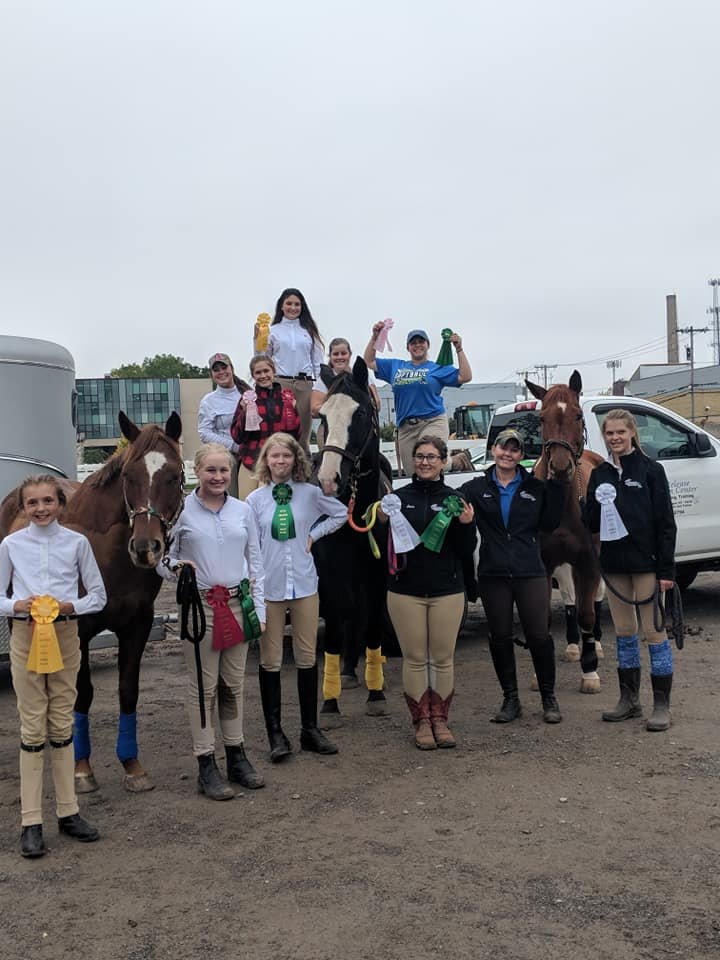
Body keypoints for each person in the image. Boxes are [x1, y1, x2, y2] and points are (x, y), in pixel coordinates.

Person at [0, 474, 107, 858]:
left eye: (48, 501)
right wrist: (16, 605)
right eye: (33, 503)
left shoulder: (77, 543)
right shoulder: (11, 545)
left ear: (59, 504)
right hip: (27, 635)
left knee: (62, 721)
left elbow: (97, 595)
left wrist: (69, 606)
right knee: (32, 725)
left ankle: (68, 811)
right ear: (23, 508)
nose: (41, 509)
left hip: (65, 635)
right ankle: (31, 820)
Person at [159, 444, 266, 799]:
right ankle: (206, 763)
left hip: (238, 604)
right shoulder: (181, 512)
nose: (218, 477)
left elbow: (255, 559)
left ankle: (236, 755)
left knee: (233, 685)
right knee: (203, 689)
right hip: (200, 607)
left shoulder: (242, 510)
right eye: (211, 471)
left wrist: (260, 610)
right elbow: (162, 558)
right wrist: (177, 570)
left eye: (224, 470)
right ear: (197, 472)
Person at [246, 433, 347, 761]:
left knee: (306, 657)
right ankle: (275, 733)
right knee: (270, 660)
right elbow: (249, 543)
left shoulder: (310, 494)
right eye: (274, 456)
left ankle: (309, 729)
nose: (280, 462)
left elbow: (341, 514)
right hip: (270, 589)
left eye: (286, 457)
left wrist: (313, 536)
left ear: (295, 460)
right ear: (266, 460)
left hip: (304, 585)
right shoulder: (255, 501)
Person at [460, 429, 565, 724]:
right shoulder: (475, 488)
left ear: (521, 455)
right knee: (500, 636)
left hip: (529, 570)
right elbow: (459, 520)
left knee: (539, 635)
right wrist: (465, 522)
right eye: (502, 448)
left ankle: (548, 697)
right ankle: (510, 699)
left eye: (514, 450)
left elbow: (550, 523)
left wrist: (558, 486)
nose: (508, 454)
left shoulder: (536, 487)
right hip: (493, 573)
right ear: (493, 450)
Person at [382, 437, 476, 750]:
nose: (425, 462)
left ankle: (440, 718)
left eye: (432, 457)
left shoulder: (455, 498)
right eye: (420, 456)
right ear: (412, 461)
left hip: (446, 590)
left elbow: (466, 551)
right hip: (405, 591)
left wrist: (466, 525)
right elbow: (385, 548)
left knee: (443, 659)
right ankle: (421, 720)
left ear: (443, 461)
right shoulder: (397, 498)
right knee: (414, 658)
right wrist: (379, 522)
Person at [586, 409, 677, 732]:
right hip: (614, 567)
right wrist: (593, 504)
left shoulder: (652, 471)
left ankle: (661, 704)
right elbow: (591, 523)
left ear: (632, 433)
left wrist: (666, 571)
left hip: (647, 566)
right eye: (609, 433)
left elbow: (666, 523)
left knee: (654, 634)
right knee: (624, 633)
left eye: (620, 433)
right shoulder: (600, 475)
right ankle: (629, 700)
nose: (615, 438)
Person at [363, 324, 472, 476]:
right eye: (413, 342)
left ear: (427, 345)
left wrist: (459, 349)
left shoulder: (437, 368)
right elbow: (369, 361)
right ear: (408, 347)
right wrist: (375, 337)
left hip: (432, 421)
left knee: (428, 456)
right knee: (413, 472)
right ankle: (455, 462)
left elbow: (465, 376)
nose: (417, 345)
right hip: (406, 427)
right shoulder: (396, 366)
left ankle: (449, 468)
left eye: (421, 341)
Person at [230, 354, 301, 500]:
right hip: (250, 462)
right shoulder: (247, 400)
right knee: (246, 509)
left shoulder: (286, 400)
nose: (263, 375)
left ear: (273, 371)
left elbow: (295, 436)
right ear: (253, 375)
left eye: (266, 371)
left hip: (277, 465)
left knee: (274, 511)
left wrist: (293, 410)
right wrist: (244, 414)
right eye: (258, 372)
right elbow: (237, 437)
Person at [263, 288, 324, 451]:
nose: (293, 307)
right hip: (280, 383)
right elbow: (262, 359)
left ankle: (304, 470)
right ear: (281, 306)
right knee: (281, 432)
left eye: (297, 304)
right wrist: (257, 339)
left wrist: (319, 386)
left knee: (302, 433)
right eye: (289, 303)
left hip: (305, 384)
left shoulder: (309, 331)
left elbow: (317, 362)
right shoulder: (272, 331)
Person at [198, 352, 250, 497]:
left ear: (231, 368)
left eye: (224, 368)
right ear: (212, 374)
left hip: (251, 452)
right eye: (216, 370)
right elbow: (204, 433)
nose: (221, 372)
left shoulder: (248, 394)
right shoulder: (208, 401)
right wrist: (233, 446)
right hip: (226, 455)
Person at [310, 337, 381, 418]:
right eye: (336, 354)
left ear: (350, 354)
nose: (340, 357)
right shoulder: (323, 379)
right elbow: (313, 410)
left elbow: (377, 404)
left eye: (343, 353)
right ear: (330, 356)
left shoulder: (362, 376)